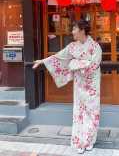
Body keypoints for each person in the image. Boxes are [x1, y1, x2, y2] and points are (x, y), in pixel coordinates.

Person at [33, 20, 102, 154]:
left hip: (92, 85)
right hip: (79, 86)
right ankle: (79, 142)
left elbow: (94, 65)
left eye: (74, 29)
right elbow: (59, 57)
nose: (72, 32)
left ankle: (89, 141)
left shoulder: (95, 47)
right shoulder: (72, 47)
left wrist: (74, 63)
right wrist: (42, 61)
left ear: (82, 30)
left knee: (92, 113)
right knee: (79, 114)